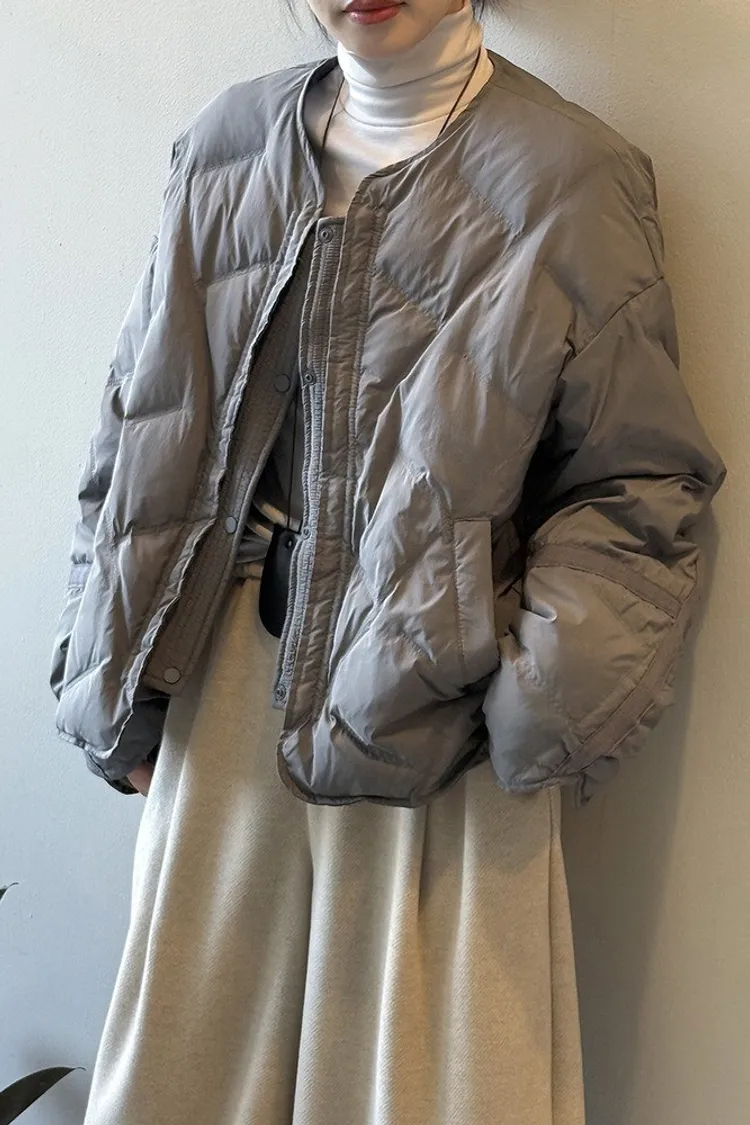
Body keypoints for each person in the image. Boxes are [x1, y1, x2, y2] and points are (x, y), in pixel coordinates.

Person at [49, 0, 726, 1122]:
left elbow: (638, 482)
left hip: (440, 707)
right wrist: (113, 686)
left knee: (422, 1086)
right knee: (183, 1078)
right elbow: (138, 422)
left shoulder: (568, 175)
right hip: (219, 693)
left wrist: (533, 714)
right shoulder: (226, 145)